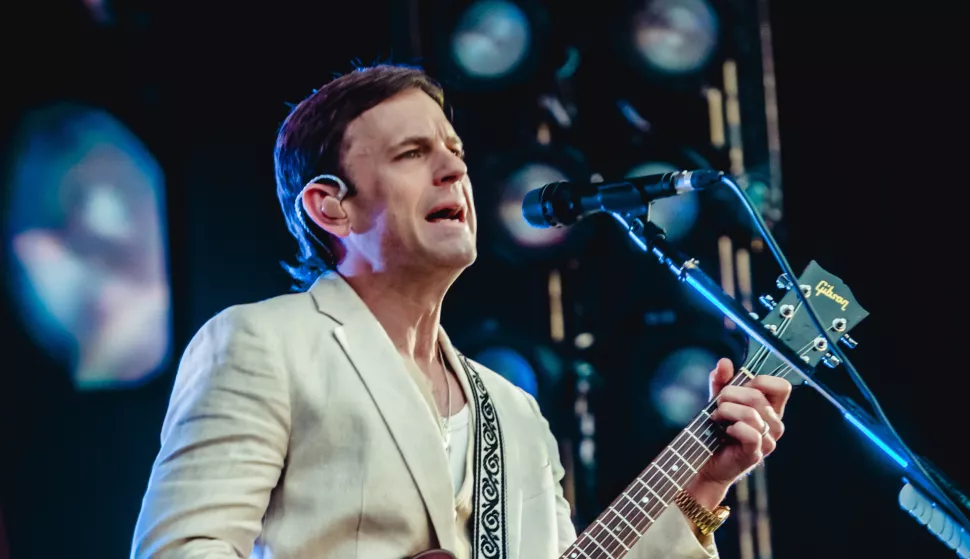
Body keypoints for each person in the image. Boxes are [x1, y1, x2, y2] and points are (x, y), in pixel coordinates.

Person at [130, 63, 792, 559]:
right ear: (331, 206)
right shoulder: (263, 343)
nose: (452, 171)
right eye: (413, 153)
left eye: (456, 153)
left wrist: (703, 489)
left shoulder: (514, 410)